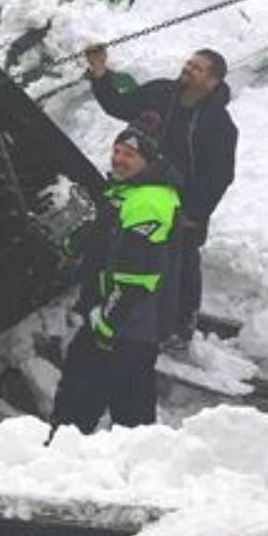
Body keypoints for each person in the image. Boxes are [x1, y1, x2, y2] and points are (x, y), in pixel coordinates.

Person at [83, 45, 237, 352]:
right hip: (141, 191)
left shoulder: (218, 123)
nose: (188, 69)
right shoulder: (159, 93)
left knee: (182, 262)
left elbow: (220, 175)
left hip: (184, 206)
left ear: (213, 82)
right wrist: (100, 73)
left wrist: (196, 213)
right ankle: (115, 310)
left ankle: (181, 323)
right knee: (127, 251)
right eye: (189, 63)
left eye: (198, 68)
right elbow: (119, 105)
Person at [50, 125, 182, 435]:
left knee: (87, 402)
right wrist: (72, 246)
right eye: (117, 151)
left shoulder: (148, 203)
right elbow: (103, 226)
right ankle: (131, 465)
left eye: (129, 154)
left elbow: (137, 277)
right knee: (128, 409)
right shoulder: (129, 192)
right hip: (118, 322)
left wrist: (107, 325)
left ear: (147, 161)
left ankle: (61, 458)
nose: (118, 159)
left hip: (129, 326)